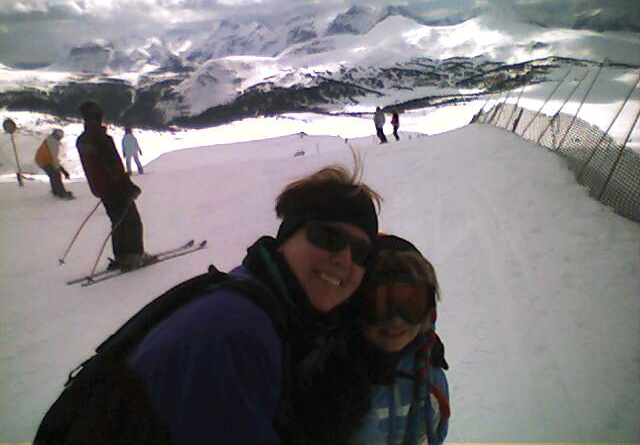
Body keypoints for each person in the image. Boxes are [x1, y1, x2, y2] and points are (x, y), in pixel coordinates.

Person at [37, 163, 381, 445]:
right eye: (328, 238)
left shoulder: (270, 308)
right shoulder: (235, 331)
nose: (344, 259)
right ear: (287, 238)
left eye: (361, 252)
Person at [296, 234, 450, 445]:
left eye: (410, 305)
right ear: (354, 307)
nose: (396, 320)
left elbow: (434, 432)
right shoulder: (326, 377)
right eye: (379, 304)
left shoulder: (428, 372)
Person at [76, 101, 152, 270]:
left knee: (117, 222)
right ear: (99, 117)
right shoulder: (102, 139)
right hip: (115, 188)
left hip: (100, 189)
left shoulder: (82, 140)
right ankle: (134, 256)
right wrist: (128, 186)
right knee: (132, 221)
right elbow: (113, 166)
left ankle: (122, 256)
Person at [34, 128, 74, 200]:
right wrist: (62, 170)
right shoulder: (53, 143)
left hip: (44, 160)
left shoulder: (51, 140)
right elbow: (54, 158)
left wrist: (61, 169)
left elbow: (53, 158)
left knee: (54, 175)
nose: (60, 138)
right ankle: (62, 193)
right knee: (56, 175)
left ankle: (56, 191)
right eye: (60, 136)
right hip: (44, 161)